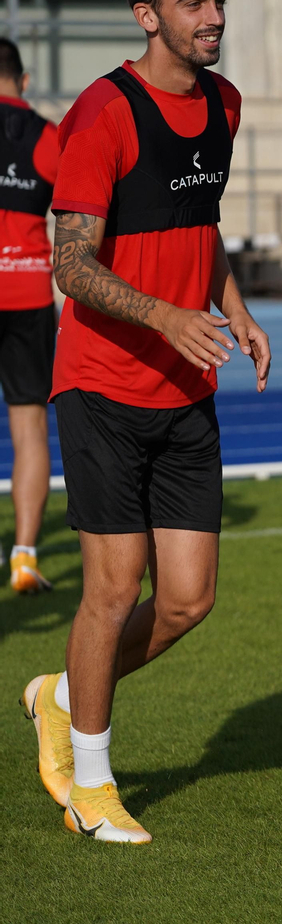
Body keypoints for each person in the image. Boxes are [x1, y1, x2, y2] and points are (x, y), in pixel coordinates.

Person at [19, 0, 271, 843]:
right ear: (147, 15)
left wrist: (231, 305)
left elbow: (196, 228)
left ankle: (57, 695)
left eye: (217, 2)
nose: (211, 20)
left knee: (189, 600)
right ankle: (90, 780)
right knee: (113, 590)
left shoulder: (227, 104)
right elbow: (71, 265)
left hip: (186, 392)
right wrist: (167, 317)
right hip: (100, 386)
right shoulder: (104, 113)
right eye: (191, 4)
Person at [0, 39, 60, 595]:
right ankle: (22, 556)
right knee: (29, 428)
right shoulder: (47, 135)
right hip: (27, 293)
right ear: (23, 78)